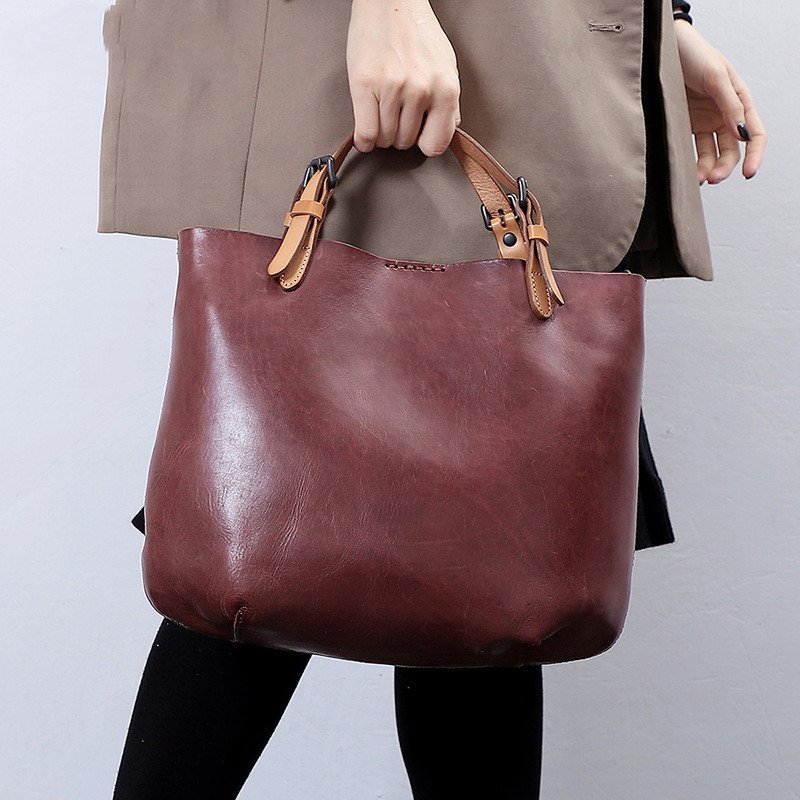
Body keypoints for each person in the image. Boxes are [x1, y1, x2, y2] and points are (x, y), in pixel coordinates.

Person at [101, 1, 766, 797]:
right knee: (273, 542)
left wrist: (667, 24)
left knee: (478, 570)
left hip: (540, 53)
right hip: (406, 35)